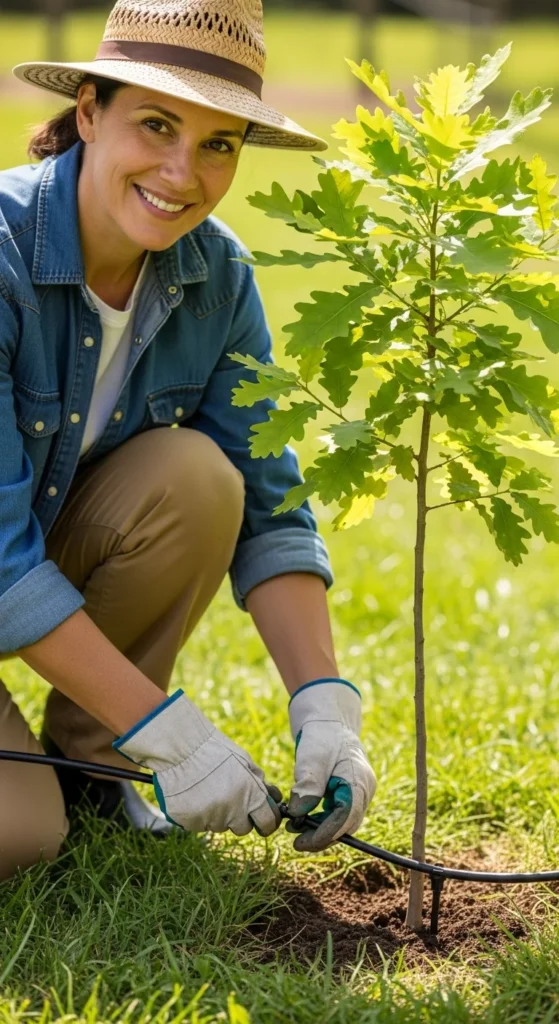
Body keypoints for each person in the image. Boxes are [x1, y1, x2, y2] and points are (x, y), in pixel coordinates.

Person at [0, 0, 376, 881]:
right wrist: (171, 734)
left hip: (38, 554)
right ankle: (117, 747)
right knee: (16, 839)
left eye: (219, 144)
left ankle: (94, 765)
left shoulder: (214, 272)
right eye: (157, 124)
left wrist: (324, 706)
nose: (183, 172)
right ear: (88, 111)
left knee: (198, 477)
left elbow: (267, 497)